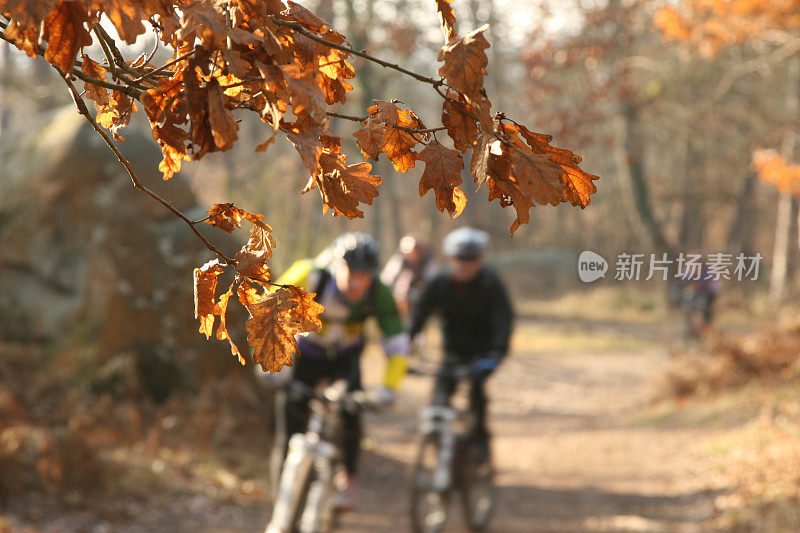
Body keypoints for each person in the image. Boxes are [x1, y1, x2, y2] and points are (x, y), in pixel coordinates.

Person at [269, 232, 409, 510]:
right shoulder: (308, 275)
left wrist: (389, 388)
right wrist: (268, 364)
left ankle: (348, 480)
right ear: (336, 265)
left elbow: (397, 345)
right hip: (304, 353)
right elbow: (266, 313)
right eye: (350, 272)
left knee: (351, 411)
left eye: (364, 275)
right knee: (289, 422)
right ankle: (281, 497)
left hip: (345, 358)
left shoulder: (379, 294)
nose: (356, 282)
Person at [409, 227, 514, 462]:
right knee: (437, 400)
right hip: (451, 353)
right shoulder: (439, 283)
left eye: (471, 259)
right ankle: (440, 453)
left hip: (482, 354)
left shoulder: (490, 283)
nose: (465, 264)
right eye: (459, 258)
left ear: (481, 259)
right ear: (450, 258)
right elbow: (419, 315)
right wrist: (404, 343)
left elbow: (503, 320)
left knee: (476, 398)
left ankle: (480, 444)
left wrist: (496, 354)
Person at [380, 234, 438, 320]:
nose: (411, 255)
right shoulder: (399, 260)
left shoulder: (428, 262)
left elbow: (434, 280)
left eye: (415, 251)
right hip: (402, 296)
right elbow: (386, 278)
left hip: (424, 293)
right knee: (404, 279)